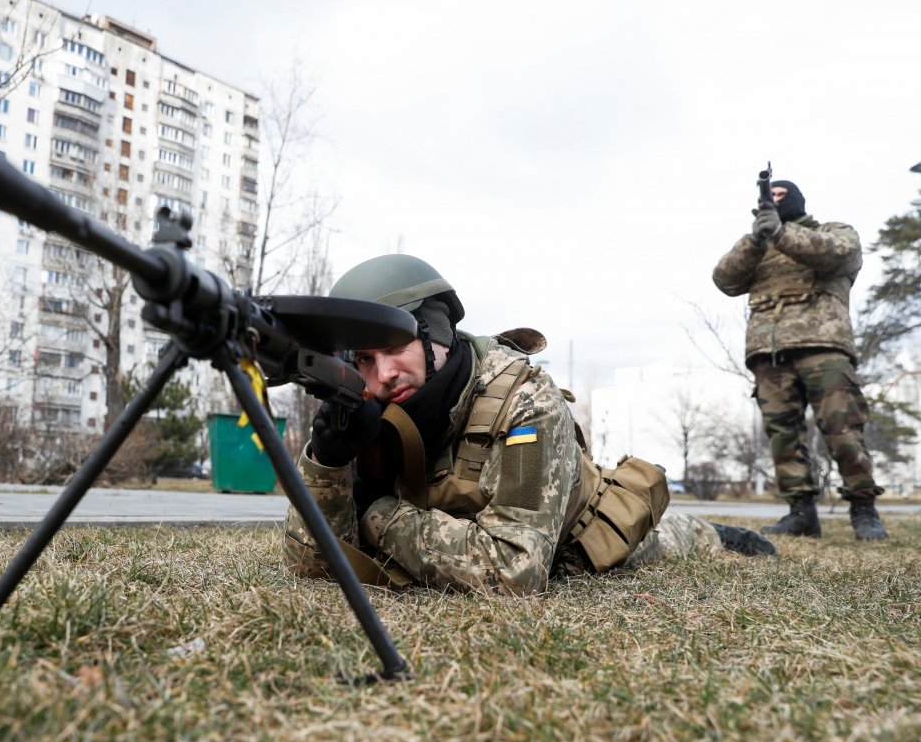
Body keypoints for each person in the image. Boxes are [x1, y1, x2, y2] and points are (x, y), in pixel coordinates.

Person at [282, 254, 775, 596]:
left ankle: (714, 530)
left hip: (577, 533)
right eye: (365, 359)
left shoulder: (524, 401)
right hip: (459, 523)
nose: (383, 374)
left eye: (395, 348)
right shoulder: (368, 404)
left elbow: (514, 573)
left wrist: (374, 511)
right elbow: (309, 562)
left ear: (435, 332)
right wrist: (327, 463)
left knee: (665, 536)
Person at [713, 179, 888, 541]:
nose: (774, 201)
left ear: (797, 201)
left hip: (823, 346)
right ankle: (801, 512)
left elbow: (837, 254)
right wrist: (756, 239)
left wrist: (781, 233)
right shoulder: (758, 247)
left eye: (780, 195)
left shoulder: (833, 231)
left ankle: (863, 509)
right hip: (769, 353)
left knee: (842, 431)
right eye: (769, 197)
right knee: (783, 436)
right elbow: (725, 278)